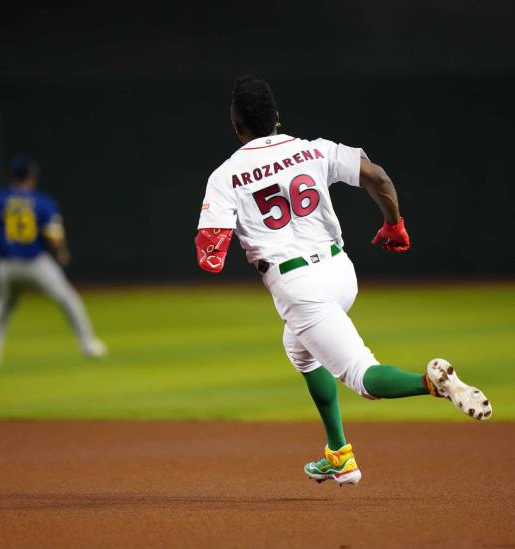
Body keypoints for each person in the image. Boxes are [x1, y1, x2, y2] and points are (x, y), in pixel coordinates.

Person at [194, 75, 491, 487]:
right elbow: (378, 176)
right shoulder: (315, 149)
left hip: (298, 284)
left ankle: (434, 383)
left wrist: (219, 243)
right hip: (340, 271)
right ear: (278, 118)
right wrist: (394, 224)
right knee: (298, 348)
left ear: (235, 127)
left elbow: (210, 254)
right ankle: (340, 455)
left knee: (362, 377)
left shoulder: (225, 176)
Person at [0, 155, 107, 364]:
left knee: (3, 304)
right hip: (35, 263)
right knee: (68, 298)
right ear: (31, 177)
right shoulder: (43, 201)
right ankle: (88, 344)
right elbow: (54, 237)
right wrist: (62, 252)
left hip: (6, 266)